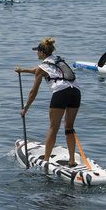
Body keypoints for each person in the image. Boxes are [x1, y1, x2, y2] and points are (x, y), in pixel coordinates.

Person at [15, 37, 82, 167]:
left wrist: (25, 108)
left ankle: (45, 161)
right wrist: (22, 70)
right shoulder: (58, 60)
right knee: (69, 127)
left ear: (42, 53)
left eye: (37, 51)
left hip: (61, 93)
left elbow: (33, 92)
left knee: (53, 128)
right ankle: (72, 160)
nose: (36, 53)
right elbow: (38, 70)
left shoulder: (42, 68)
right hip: (76, 92)